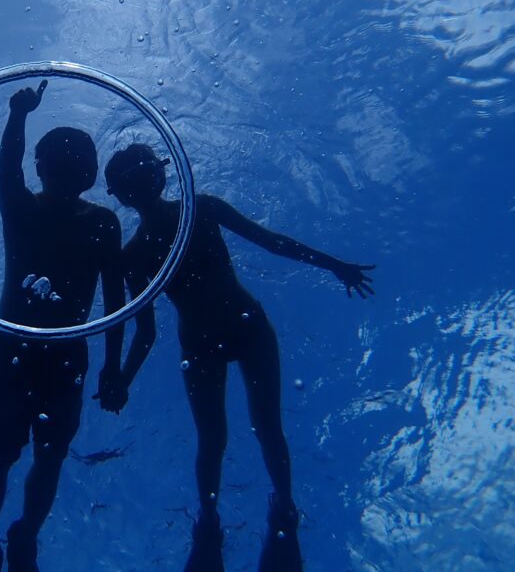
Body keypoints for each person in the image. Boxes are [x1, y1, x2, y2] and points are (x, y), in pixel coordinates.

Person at [100, 144, 375, 572]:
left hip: (233, 335)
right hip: (226, 336)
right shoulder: (143, 248)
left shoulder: (196, 212)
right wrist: (122, 378)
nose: (142, 180)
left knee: (245, 434)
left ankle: (246, 517)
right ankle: (242, 517)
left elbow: (271, 243)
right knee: (239, 435)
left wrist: (122, 378)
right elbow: (146, 329)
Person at [0, 81, 126, 572]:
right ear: (90, 171)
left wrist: (19, 114)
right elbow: (117, 302)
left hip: (18, 352)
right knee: (41, 457)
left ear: (43, 167)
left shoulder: (29, 209)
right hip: (56, 357)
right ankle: (10, 538)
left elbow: (7, 167)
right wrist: (113, 366)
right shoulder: (95, 220)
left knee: (10, 457)